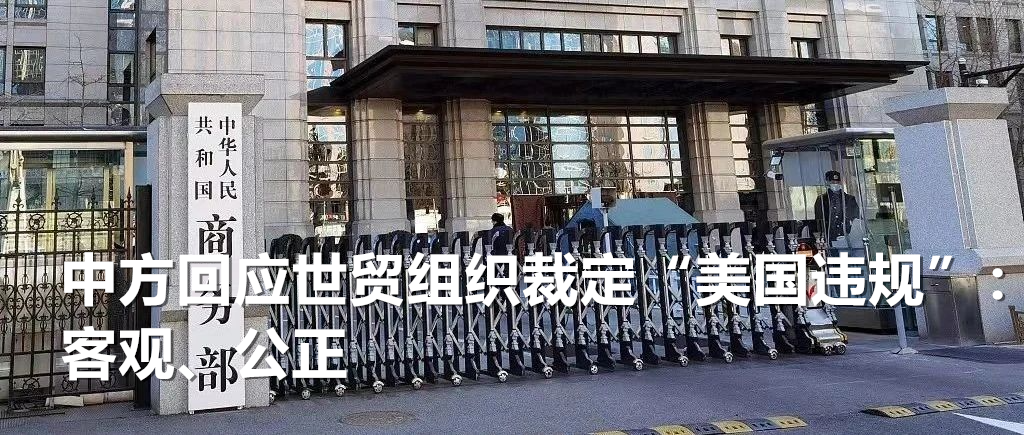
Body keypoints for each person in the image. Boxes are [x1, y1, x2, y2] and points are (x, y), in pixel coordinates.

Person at [813, 170, 860, 243]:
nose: (835, 184)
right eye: (832, 182)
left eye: (837, 182)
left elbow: (857, 218)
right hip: (829, 236)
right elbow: (819, 220)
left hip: (847, 236)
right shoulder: (821, 200)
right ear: (827, 183)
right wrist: (821, 238)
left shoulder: (849, 199)